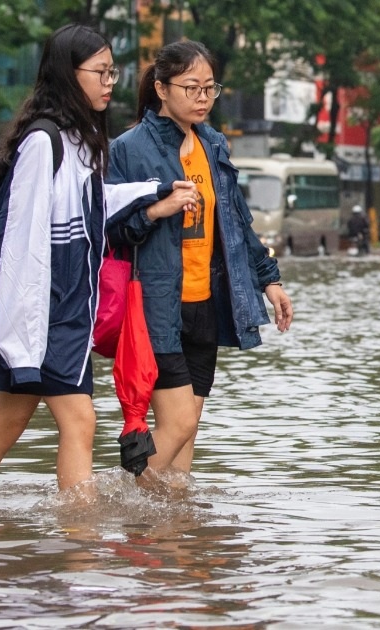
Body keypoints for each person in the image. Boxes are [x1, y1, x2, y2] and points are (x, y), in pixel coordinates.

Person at [0, 24, 198, 507]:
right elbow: (21, 244)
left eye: (111, 71)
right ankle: (81, 539)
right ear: (66, 74)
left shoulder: (79, 141)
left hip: (67, 312)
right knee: (78, 421)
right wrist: (22, 335)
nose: (109, 82)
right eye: (99, 72)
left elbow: (88, 203)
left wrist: (155, 193)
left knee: (4, 425)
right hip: (41, 316)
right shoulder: (43, 143)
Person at [107, 39, 294, 478]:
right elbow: (111, 229)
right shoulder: (129, 149)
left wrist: (270, 282)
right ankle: (117, 501)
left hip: (205, 302)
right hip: (155, 304)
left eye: (210, 88)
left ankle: (172, 533)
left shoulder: (212, 146)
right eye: (191, 87)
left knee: (187, 432)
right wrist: (157, 209)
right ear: (161, 88)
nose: (203, 98)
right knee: (180, 422)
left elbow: (236, 224)